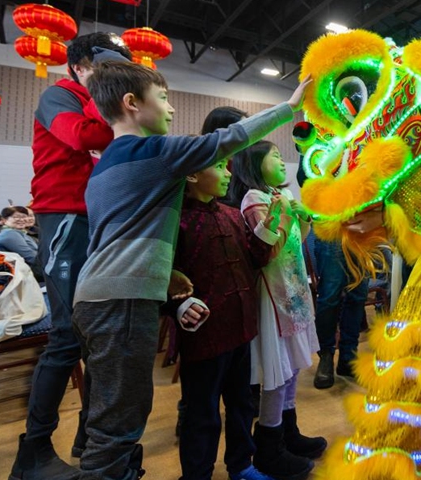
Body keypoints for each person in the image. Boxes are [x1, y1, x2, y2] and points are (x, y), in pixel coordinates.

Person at [73, 61, 310, 480]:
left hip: (96, 298)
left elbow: (112, 239)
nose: (171, 108)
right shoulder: (153, 152)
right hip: (123, 304)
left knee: (112, 417)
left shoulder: (105, 164)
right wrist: (289, 107)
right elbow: (227, 139)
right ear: (131, 104)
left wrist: (164, 278)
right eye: (162, 97)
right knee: (118, 426)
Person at [8, 32, 133, 480]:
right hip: (62, 216)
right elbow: (81, 137)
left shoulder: (98, 100)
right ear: (80, 66)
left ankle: (89, 437)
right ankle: (33, 452)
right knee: (65, 337)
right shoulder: (59, 95)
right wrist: (126, 116)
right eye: (106, 66)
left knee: (97, 334)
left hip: (95, 218)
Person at [171, 107, 289, 480]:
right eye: (221, 167)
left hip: (241, 331)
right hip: (204, 340)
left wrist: (269, 228)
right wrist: (177, 306)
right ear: (191, 174)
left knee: (242, 405)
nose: (229, 173)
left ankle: (241, 465)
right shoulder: (175, 222)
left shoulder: (231, 214)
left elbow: (255, 259)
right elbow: (162, 279)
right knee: (202, 413)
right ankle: (197, 474)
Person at [235, 140, 323, 480]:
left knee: (292, 369)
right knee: (278, 371)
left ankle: (288, 432)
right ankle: (269, 446)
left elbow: (294, 241)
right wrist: (286, 216)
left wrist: (303, 221)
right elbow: (266, 249)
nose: (281, 160)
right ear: (255, 164)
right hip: (273, 296)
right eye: (274, 155)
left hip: (293, 291)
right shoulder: (254, 199)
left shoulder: (279, 196)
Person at [291, 121, 370, 389]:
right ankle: (326, 356)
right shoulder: (322, 132)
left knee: (358, 293)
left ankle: (348, 355)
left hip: (364, 227)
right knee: (330, 295)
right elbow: (305, 178)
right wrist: (306, 151)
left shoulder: (367, 132)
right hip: (332, 227)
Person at [0, 206, 41, 278]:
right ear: (4, 220)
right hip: (22, 276)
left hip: (28, 273)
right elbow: (31, 257)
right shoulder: (9, 234)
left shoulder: (21, 233)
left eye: (24, 217)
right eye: (16, 217)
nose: (22, 220)